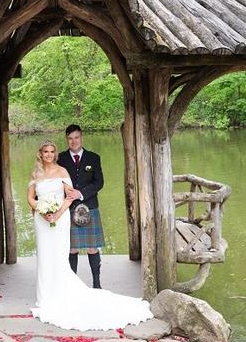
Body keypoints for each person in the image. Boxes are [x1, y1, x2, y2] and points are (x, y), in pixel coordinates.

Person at [27, 139, 153, 331]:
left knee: (59, 255)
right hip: (41, 219)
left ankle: (63, 291)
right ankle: (45, 296)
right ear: (41, 154)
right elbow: (30, 197)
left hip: (59, 218)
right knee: (44, 256)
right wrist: (41, 210)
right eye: (46, 152)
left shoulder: (62, 172)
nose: (49, 155)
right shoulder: (35, 173)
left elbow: (69, 196)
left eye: (52, 151)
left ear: (55, 154)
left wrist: (58, 214)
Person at [57, 124, 104, 288]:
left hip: (89, 206)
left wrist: (80, 193)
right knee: (72, 249)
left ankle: (97, 284)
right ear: (67, 139)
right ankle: (72, 285)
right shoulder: (60, 158)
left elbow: (99, 183)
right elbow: (54, 181)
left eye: (76, 137)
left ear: (81, 137)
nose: (73, 141)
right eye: (70, 138)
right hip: (68, 208)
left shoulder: (93, 158)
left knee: (92, 247)